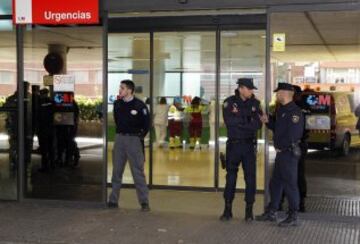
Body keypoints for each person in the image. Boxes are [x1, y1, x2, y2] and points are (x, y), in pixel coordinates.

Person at [256, 82, 304, 227]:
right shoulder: (282, 110)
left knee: (290, 185)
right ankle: (272, 211)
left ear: (286, 93)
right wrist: (268, 121)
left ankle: (293, 215)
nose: (277, 95)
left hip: (288, 154)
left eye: (278, 92)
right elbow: (278, 128)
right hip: (281, 154)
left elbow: (293, 135)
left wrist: (281, 147)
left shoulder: (295, 112)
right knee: (275, 183)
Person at [220, 78, 263, 222]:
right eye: (249, 89)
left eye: (252, 89)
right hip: (234, 145)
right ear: (241, 88)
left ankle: (249, 211)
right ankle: (227, 209)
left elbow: (258, 125)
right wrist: (248, 120)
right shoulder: (229, 102)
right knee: (230, 177)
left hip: (249, 146)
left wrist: (240, 120)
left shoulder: (256, 104)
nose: (251, 91)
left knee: (250, 178)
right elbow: (230, 122)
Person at [108, 79, 151, 211]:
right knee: (116, 172)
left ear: (130, 90)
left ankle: (144, 202)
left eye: (122, 88)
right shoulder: (117, 104)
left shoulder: (140, 105)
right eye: (120, 87)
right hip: (120, 139)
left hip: (134, 140)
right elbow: (117, 120)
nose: (120, 90)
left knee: (138, 172)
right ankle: (113, 201)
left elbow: (146, 124)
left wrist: (138, 137)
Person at [37, 88, 55, 172]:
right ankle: (52, 164)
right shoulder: (52, 102)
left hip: (43, 129)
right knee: (51, 148)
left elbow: (38, 116)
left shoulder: (39, 103)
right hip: (51, 129)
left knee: (44, 149)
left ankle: (45, 166)